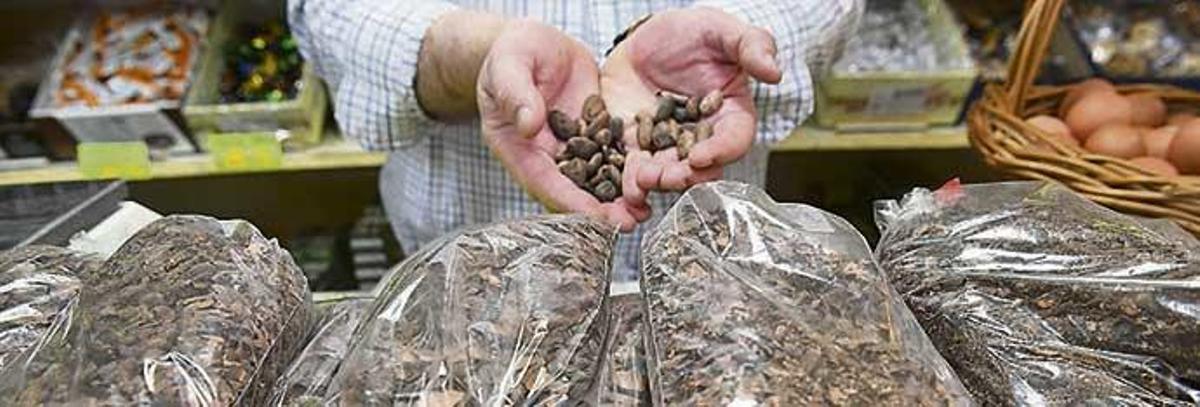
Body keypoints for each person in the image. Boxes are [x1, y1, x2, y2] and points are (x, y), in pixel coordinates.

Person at [288, 0, 861, 279]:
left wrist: (736, 29)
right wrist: (464, 54)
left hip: (711, 264)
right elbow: (329, 12)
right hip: (467, 262)